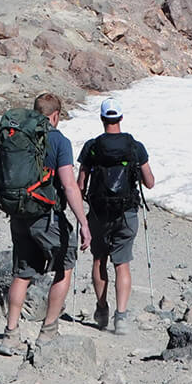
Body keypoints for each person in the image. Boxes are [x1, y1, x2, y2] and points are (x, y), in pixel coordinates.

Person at [0, 92, 91, 355]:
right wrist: (83, 222)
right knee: (65, 264)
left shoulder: (18, 136)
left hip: (18, 214)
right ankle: (48, 331)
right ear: (55, 116)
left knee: (22, 273)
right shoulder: (59, 140)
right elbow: (69, 186)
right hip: (46, 215)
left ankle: (10, 334)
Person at [77, 98, 155, 335]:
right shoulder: (135, 146)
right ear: (120, 118)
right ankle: (121, 317)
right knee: (122, 264)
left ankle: (102, 310)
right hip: (127, 211)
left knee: (99, 260)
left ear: (102, 119)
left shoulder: (92, 147)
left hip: (99, 212)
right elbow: (149, 182)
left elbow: (80, 185)